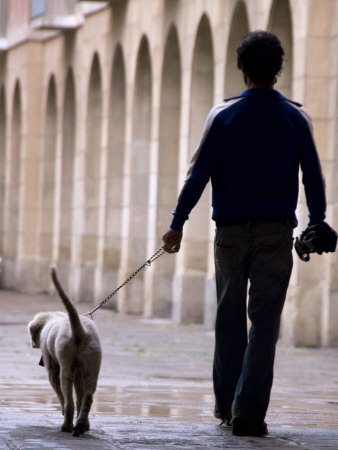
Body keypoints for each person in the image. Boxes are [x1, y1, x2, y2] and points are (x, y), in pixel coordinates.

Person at [162, 30, 327, 436]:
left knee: (229, 319)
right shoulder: (295, 116)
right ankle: (249, 413)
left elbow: (198, 174)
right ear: (279, 70)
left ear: (242, 68)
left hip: (230, 234)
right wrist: (316, 221)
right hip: (275, 233)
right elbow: (314, 177)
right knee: (265, 324)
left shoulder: (223, 115)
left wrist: (177, 223)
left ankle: (225, 407)